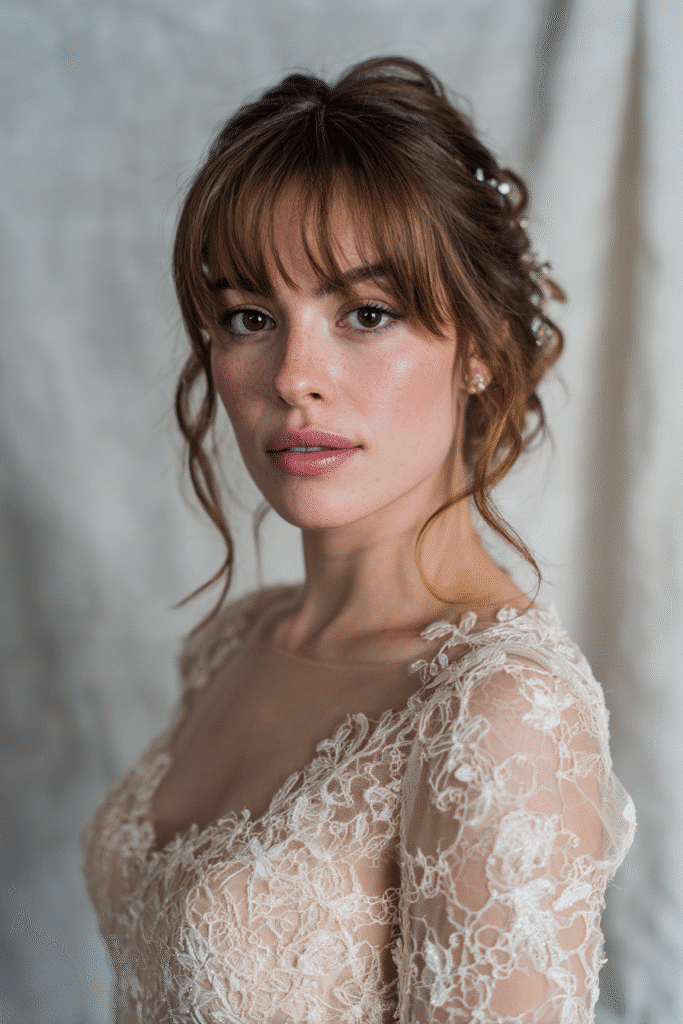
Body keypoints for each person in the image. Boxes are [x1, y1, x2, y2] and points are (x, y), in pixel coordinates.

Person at [81, 55, 637, 1022]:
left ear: (478, 349)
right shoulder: (232, 645)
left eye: (365, 314)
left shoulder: (499, 715)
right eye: (250, 317)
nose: (295, 374)